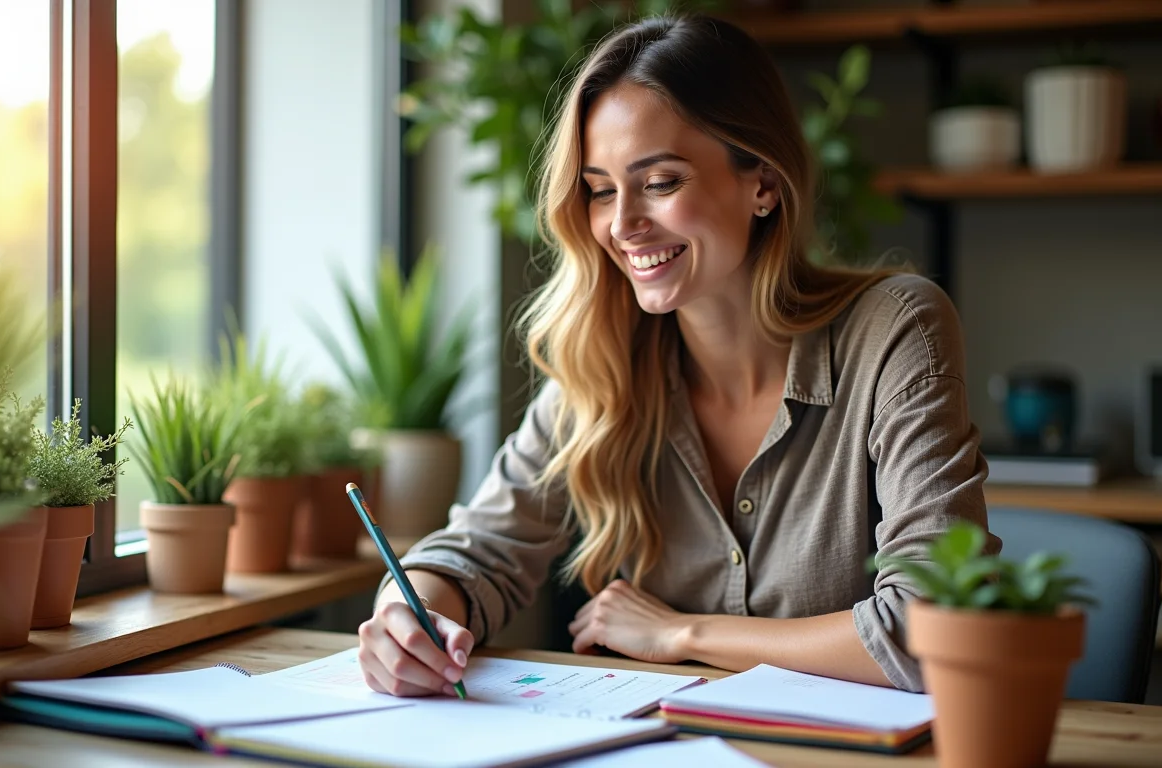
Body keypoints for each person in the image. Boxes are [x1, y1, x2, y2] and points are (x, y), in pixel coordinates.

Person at [357, 13, 999, 698]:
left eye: (659, 182)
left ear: (763, 183)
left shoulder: (894, 330)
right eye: (601, 189)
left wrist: (682, 634)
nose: (622, 223)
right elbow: (477, 552)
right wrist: (409, 616)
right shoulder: (602, 361)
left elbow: (938, 627)